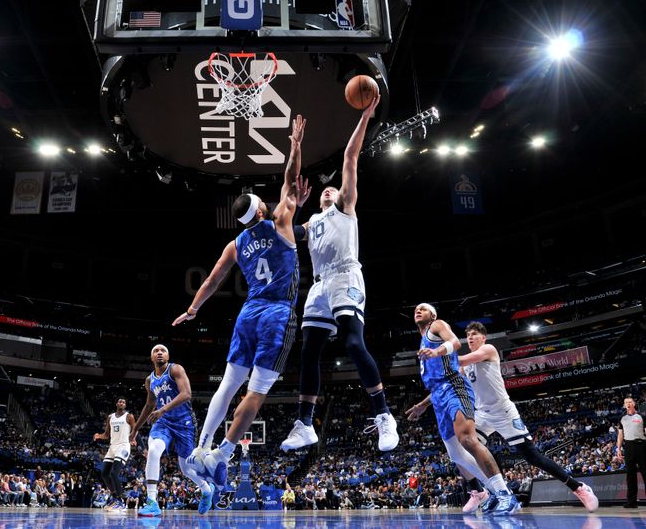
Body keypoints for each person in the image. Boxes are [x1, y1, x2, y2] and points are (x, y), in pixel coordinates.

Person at [173, 115, 307, 490]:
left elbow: (214, 279)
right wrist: (295, 145)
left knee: (228, 385)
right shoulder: (281, 221)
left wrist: (193, 308)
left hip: (247, 314)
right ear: (261, 211)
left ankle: (202, 447)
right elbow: (291, 181)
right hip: (277, 313)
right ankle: (223, 455)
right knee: (255, 393)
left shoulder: (236, 244)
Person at [279, 96, 399, 453]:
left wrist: (364, 117)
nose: (328, 189)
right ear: (316, 200)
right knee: (309, 351)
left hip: (346, 276)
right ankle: (304, 423)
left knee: (352, 342)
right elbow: (284, 225)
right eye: (323, 190)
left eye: (332, 188)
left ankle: (383, 415)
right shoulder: (312, 222)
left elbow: (349, 158)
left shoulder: (345, 208)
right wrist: (295, 148)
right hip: (319, 285)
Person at [423, 321, 597, 512]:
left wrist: (440, 353)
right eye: (468, 335)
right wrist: (421, 405)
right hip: (482, 414)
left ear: (483, 337)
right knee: (460, 450)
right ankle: (479, 491)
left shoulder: (488, 350)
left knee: (533, 457)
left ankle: (578, 487)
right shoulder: (464, 366)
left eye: (474, 334)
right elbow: (446, 384)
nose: (470, 337)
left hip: (503, 412)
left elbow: (459, 361)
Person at [405, 303, 519, 515]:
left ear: (433, 315)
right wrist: (422, 405)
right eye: (415, 310)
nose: (418, 310)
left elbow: (455, 342)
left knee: (467, 440)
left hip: (455, 386)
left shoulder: (436, 326)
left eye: (423, 308)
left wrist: (436, 351)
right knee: (456, 455)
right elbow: (437, 384)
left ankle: (505, 494)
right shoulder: (422, 341)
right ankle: (494, 492)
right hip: (439, 394)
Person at [129, 344, 212, 517]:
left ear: (168, 356)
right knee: (153, 450)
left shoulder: (176, 369)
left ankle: (206, 489)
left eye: (163, 350)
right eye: (155, 351)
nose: (159, 353)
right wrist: (135, 429)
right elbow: (150, 405)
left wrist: (163, 410)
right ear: (151, 358)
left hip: (184, 423)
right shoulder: (150, 380)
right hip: (163, 423)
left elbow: (186, 394)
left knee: (186, 469)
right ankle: (152, 501)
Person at [93, 396, 136, 513]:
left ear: (125, 405)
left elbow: (135, 429)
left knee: (114, 473)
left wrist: (133, 438)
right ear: (116, 404)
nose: (122, 403)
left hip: (123, 446)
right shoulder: (110, 417)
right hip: (112, 446)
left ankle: (121, 502)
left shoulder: (129, 416)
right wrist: (99, 436)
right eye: (120, 401)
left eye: (124, 402)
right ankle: (114, 497)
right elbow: (107, 434)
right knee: (104, 473)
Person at [614, 396, 646, 508]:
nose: (628, 403)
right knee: (630, 476)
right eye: (626, 402)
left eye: (630, 402)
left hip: (642, 445)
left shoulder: (642, 416)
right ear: (624, 405)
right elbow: (620, 435)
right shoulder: (622, 418)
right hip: (629, 446)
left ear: (634, 403)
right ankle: (632, 502)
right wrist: (618, 449)